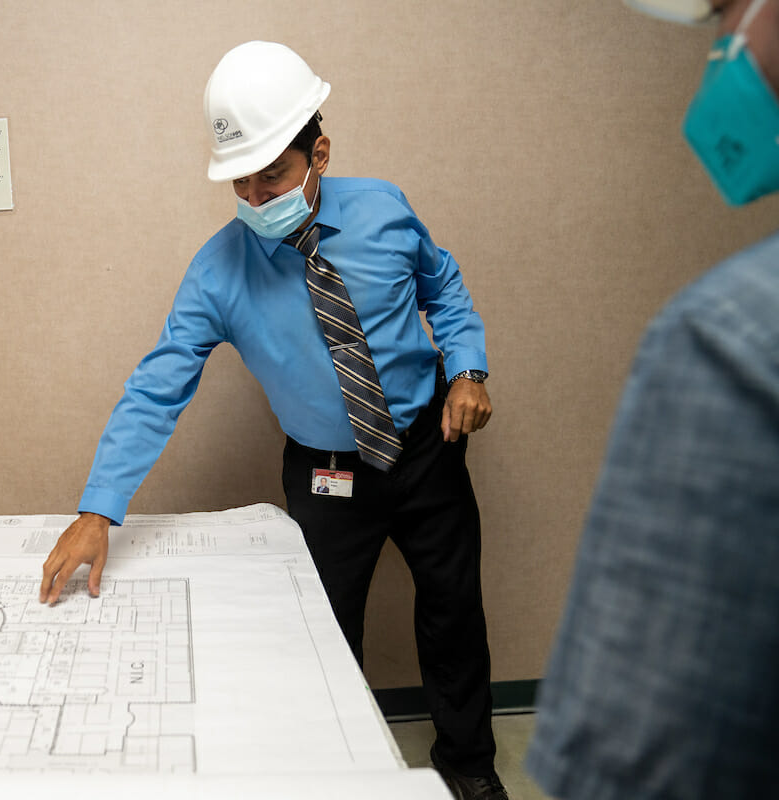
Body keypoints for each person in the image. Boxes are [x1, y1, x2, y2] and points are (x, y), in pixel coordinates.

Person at [39, 41, 505, 800]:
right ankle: (341, 773)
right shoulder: (218, 270)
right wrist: (98, 509)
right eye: (241, 182)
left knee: (454, 617)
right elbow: (157, 387)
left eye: (274, 175)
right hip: (327, 477)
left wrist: (468, 369)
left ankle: (470, 766)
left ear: (318, 153)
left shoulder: (385, 209)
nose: (256, 198)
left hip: (428, 450)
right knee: (321, 639)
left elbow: (444, 290)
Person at [525, 1, 779, 798]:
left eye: (729, 16)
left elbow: (632, 776)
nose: (724, 53)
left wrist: (466, 372)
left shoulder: (729, 346)